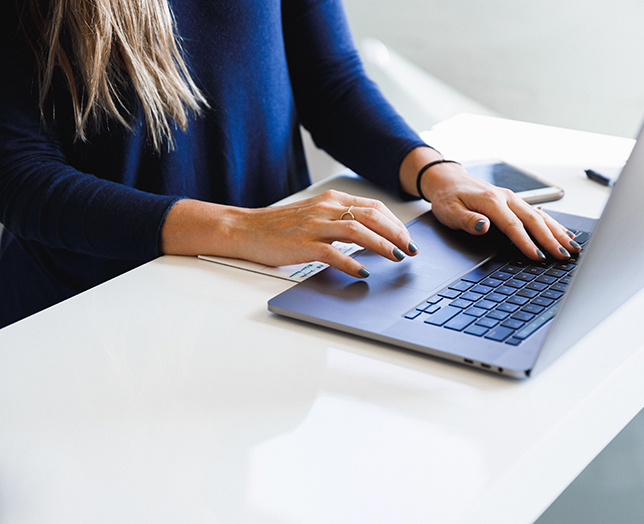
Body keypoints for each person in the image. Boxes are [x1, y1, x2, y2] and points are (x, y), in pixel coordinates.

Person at [0, 0, 579, 329]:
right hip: (98, 312)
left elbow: (328, 81)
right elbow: (20, 178)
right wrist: (241, 228)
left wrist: (437, 175)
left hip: (271, 285)